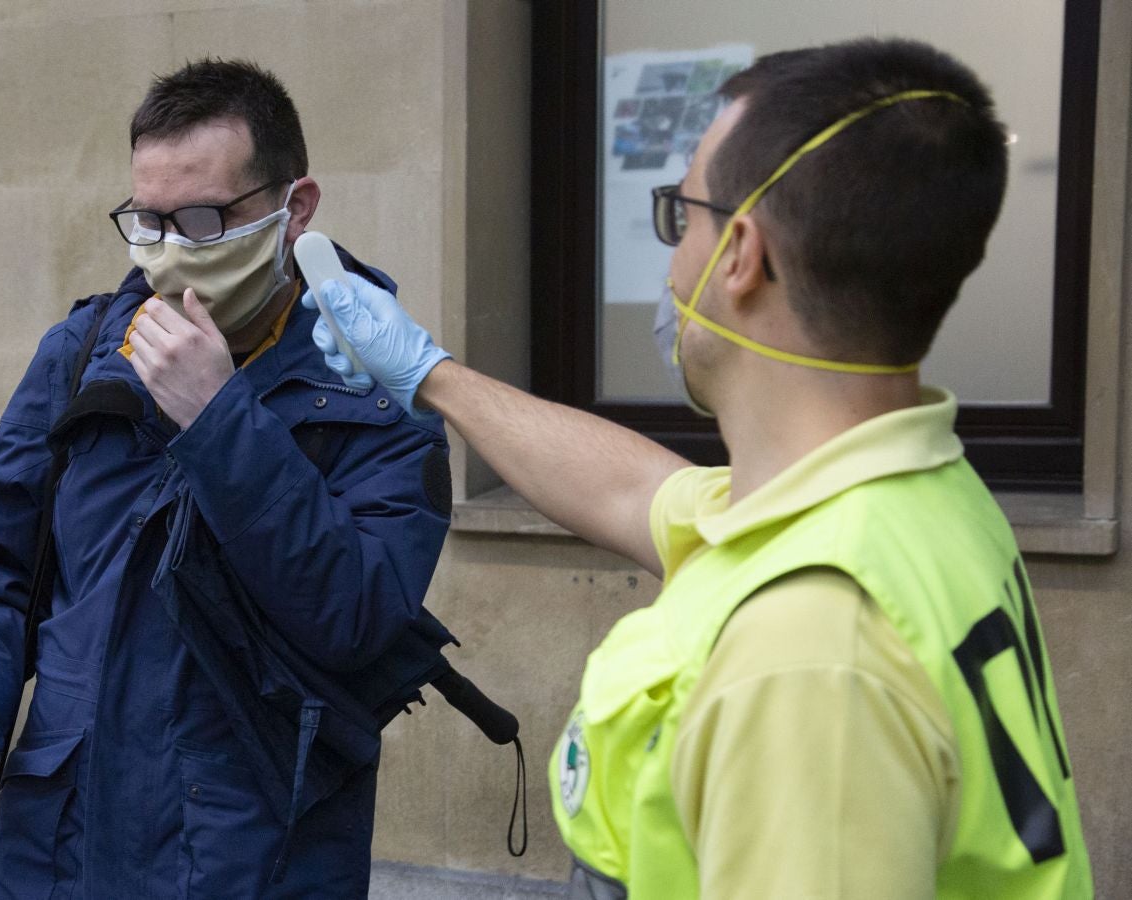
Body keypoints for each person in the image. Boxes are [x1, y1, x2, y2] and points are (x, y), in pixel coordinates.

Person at [305, 38, 1092, 899]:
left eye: (683, 215)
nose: (674, 259)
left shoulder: (809, 651)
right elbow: (635, 491)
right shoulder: (902, 493)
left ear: (741, 254)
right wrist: (430, 376)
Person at [0, 58, 453, 898]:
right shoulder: (81, 353)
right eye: (146, 221)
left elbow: (358, 618)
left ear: (294, 208)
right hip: (58, 847)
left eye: (199, 217)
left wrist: (220, 417)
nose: (168, 249)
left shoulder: (378, 383)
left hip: (252, 852)